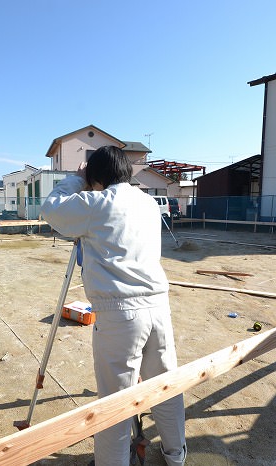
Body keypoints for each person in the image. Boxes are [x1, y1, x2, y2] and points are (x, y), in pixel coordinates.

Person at [41, 146, 186, 466]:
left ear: (96, 178)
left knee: (115, 403)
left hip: (120, 315)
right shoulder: (148, 204)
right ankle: (176, 456)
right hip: (159, 309)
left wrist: (76, 179)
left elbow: (51, 208)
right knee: (165, 387)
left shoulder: (97, 202)